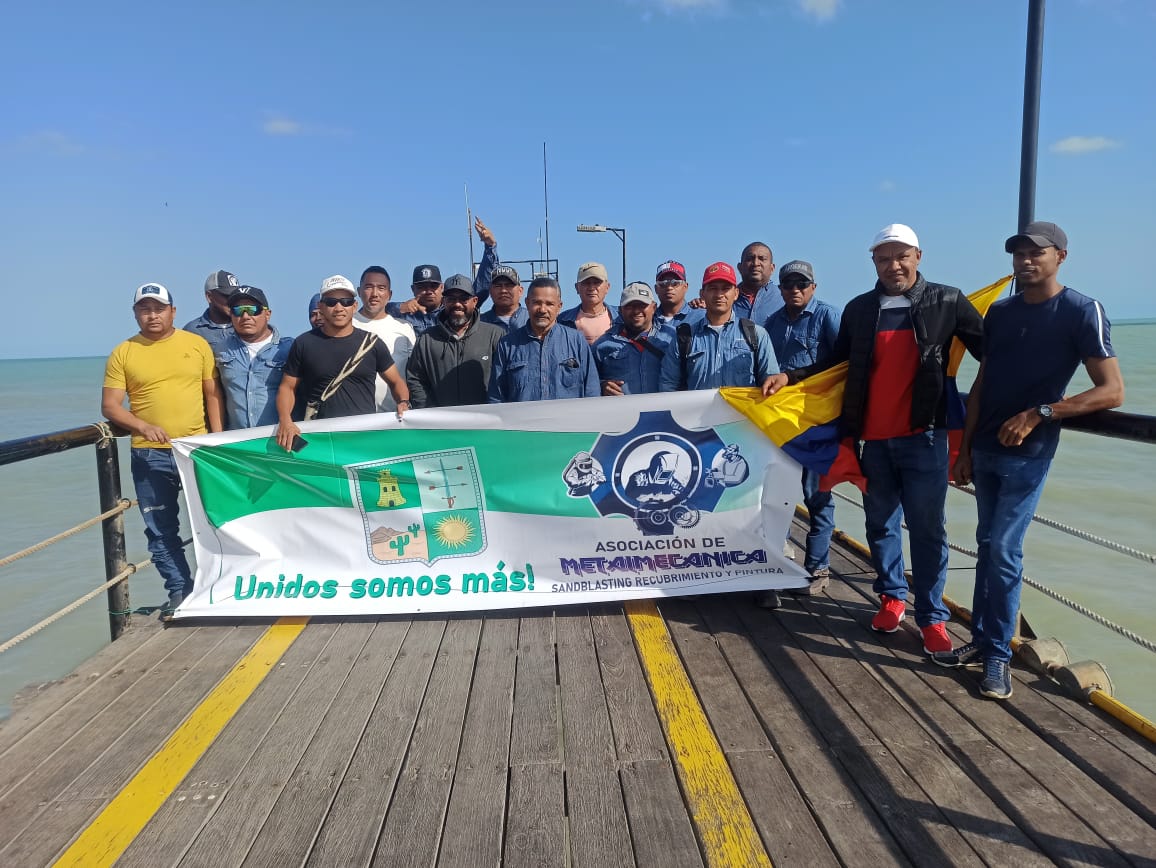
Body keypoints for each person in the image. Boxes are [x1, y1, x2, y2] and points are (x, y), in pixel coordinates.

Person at [936, 222, 1124, 699]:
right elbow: (982, 382)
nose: (1025, 260)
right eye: (1018, 253)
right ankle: (983, 642)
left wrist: (1041, 413)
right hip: (984, 446)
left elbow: (1111, 391)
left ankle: (999, 655)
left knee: (1003, 549)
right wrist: (964, 449)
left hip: (1029, 452)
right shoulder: (1000, 312)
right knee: (986, 544)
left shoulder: (1081, 310)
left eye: (1036, 253)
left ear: (1061, 256)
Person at [784, 224, 984, 654]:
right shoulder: (860, 309)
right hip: (872, 441)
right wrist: (790, 377)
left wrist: (1034, 402)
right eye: (884, 258)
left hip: (925, 438)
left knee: (928, 530)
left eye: (902, 256)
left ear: (918, 256)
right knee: (880, 525)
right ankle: (892, 597)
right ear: (873, 262)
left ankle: (931, 616)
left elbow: (992, 355)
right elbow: (835, 365)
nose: (894, 265)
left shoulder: (947, 300)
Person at [102, 282, 223, 618]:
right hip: (149, 453)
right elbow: (110, 406)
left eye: (159, 308)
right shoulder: (123, 352)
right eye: (145, 309)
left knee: (217, 520)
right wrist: (142, 426)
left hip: (196, 450)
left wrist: (217, 439)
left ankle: (221, 586)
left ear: (173, 311)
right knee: (160, 528)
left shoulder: (196, 344)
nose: (152, 315)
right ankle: (180, 591)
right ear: (135, 313)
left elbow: (212, 394)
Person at [764, 260, 842, 596]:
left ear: (813, 287)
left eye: (802, 284)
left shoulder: (828, 316)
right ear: (780, 289)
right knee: (777, 494)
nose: (795, 290)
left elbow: (842, 363)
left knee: (817, 495)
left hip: (818, 422)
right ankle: (778, 561)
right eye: (788, 285)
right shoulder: (772, 322)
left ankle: (818, 566)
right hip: (782, 423)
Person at [275, 276, 410, 451]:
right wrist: (285, 420)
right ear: (321, 307)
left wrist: (404, 402)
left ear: (354, 306)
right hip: (320, 441)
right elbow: (287, 387)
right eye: (331, 302)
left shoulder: (372, 343)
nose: (339, 308)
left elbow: (396, 381)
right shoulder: (303, 343)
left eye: (346, 302)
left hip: (364, 438)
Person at [658, 261, 780, 393]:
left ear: (736, 293)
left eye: (725, 288)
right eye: (713, 288)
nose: (719, 294)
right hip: (698, 408)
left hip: (742, 408)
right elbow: (668, 386)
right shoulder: (684, 338)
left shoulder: (756, 334)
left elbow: (771, 383)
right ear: (702, 294)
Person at [489, 277, 600, 402]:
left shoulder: (577, 341)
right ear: (527, 303)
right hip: (523, 416)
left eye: (549, 304)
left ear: (559, 306)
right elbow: (496, 397)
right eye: (537, 303)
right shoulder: (508, 345)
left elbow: (592, 391)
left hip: (568, 416)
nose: (542, 310)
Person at [406, 274, 505, 407]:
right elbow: (415, 379)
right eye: (451, 299)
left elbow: (504, 380)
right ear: (444, 301)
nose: (457, 304)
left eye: (464, 299)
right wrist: (429, 411)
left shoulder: (495, 335)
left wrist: (493, 411)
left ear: (475, 301)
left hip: (485, 417)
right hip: (440, 419)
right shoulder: (426, 339)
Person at [391, 217, 499, 334]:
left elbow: (482, 286)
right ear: (413, 289)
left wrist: (490, 247)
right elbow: (377, 309)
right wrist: (399, 308)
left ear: (442, 287)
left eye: (434, 286)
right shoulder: (401, 314)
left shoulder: (453, 309)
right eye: (422, 287)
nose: (429, 291)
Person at [214, 286, 294, 429]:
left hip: (279, 437)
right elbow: (213, 394)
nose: (245, 316)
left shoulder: (290, 348)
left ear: (267, 314)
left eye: (253, 310)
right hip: (238, 439)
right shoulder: (219, 350)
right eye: (238, 311)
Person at [353, 266, 417, 412]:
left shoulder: (404, 328)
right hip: (354, 418)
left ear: (390, 294)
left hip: (394, 418)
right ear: (359, 291)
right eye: (369, 287)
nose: (375, 294)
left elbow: (415, 375)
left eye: (381, 288)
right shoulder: (346, 325)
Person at [592, 282, 673, 396]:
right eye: (629, 306)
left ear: (654, 307)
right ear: (620, 310)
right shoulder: (601, 345)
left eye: (642, 305)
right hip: (623, 408)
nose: (636, 311)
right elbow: (587, 382)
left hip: (665, 407)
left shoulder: (672, 338)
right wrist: (602, 386)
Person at [184, 270, 240, 352]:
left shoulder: (246, 326)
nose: (233, 301)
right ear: (209, 296)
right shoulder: (192, 330)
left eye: (236, 296)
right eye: (227, 296)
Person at [560, 263, 617, 344]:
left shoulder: (622, 319)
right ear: (577, 287)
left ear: (607, 287)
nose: (591, 288)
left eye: (596, 283)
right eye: (586, 283)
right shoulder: (562, 322)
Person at [736, 242, 784, 323]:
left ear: (772, 268)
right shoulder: (726, 298)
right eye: (750, 259)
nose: (755, 263)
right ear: (740, 267)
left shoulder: (784, 298)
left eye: (762, 259)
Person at [652, 260, 704, 329]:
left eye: (675, 283)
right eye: (663, 284)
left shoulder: (702, 317)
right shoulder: (648, 319)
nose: (669, 287)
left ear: (685, 287)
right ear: (656, 289)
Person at [480, 264, 528, 333]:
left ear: (520, 291)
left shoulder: (532, 319)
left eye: (509, 285)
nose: (503, 290)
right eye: (498, 286)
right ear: (490, 291)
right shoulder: (479, 323)